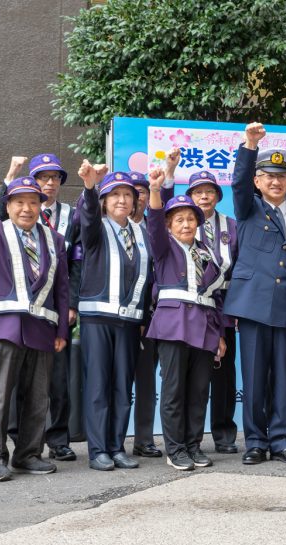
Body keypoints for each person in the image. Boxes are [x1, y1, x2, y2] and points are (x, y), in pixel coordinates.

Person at [0, 159, 70, 481]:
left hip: (42, 328)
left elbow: (62, 288)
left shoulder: (55, 239)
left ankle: (28, 454)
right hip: (4, 327)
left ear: (41, 205)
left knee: (38, 396)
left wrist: (63, 329)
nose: (27, 208)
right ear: (8, 205)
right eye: (19, 202)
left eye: (33, 202)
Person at [223, 123, 286, 465]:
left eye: (282, 175)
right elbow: (237, 180)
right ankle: (255, 442)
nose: (276, 181)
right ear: (258, 181)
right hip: (252, 305)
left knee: (284, 379)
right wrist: (250, 144)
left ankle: (281, 440)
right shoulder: (248, 207)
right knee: (254, 378)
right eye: (268, 175)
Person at [144, 169, 227, 470]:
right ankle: (175, 449)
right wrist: (155, 190)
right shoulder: (163, 248)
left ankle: (193, 445)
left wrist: (220, 334)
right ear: (169, 225)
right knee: (173, 390)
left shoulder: (205, 252)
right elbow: (153, 223)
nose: (186, 224)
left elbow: (215, 297)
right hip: (173, 326)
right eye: (178, 219)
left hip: (204, 327)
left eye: (190, 219)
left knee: (198, 391)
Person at [1, 153, 81, 462]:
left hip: (54, 308)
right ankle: (16, 435)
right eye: (42, 177)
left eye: (55, 178)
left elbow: (77, 263)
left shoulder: (71, 216)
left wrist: (71, 303)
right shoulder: (13, 217)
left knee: (57, 379)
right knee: (15, 378)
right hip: (18, 308)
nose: (49, 183)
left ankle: (58, 438)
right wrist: (9, 176)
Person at [77, 162, 154, 471]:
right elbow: (87, 215)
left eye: (127, 195)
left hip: (129, 321)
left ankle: (116, 446)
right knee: (98, 385)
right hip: (97, 319)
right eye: (115, 196)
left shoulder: (141, 233)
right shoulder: (96, 228)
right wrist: (90, 188)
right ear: (105, 202)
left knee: (123, 386)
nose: (122, 200)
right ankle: (97, 450)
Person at [124, 170, 165, 459]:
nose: (137, 196)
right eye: (132, 191)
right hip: (121, 316)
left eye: (141, 191)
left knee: (147, 381)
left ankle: (144, 438)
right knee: (119, 381)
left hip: (154, 316)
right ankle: (113, 440)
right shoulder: (112, 228)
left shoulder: (155, 229)